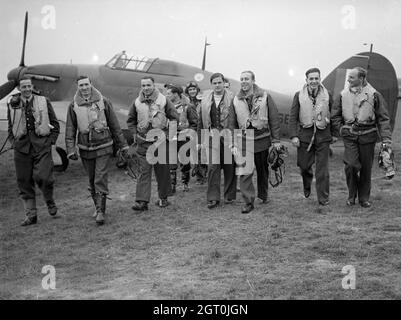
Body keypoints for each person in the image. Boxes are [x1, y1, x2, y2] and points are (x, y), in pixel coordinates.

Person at [65, 76, 129, 225]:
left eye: (86, 84)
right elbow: (70, 128)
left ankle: (101, 211)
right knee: (92, 178)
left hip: (104, 145)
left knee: (100, 177)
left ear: (91, 85)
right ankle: (97, 206)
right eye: (81, 85)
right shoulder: (73, 105)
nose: (84, 87)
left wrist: (123, 145)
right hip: (85, 148)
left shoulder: (103, 101)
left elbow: (115, 125)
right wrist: (70, 149)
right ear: (78, 87)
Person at [331, 67, 392, 208]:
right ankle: (351, 195)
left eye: (352, 77)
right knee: (351, 165)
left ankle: (363, 198)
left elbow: (383, 118)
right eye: (349, 77)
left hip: (368, 136)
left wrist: (386, 139)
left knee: (366, 169)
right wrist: (341, 128)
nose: (348, 79)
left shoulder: (374, 94)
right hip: (349, 136)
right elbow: (335, 115)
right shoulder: (343, 94)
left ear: (362, 78)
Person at [7, 76, 60, 226]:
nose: (27, 89)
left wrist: (51, 141)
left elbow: (55, 124)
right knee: (23, 181)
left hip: (41, 145)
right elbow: (11, 127)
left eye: (29, 86)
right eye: (24, 87)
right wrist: (14, 142)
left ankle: (50, 201)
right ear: (19, 89)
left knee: (44, 177)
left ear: (32, 87)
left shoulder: (44, 101)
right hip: (21, 148)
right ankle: (31, 215)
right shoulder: (12, 105)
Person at [229, 71, 281, 214]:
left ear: (253, 80)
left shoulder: (265, 96)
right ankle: (248, 202)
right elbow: (231, 123)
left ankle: (263, 195)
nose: (244, 81)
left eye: (246, 79)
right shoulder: (235, 99)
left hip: (262, 138)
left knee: (262, 170)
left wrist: (276, 140)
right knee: (245, 172)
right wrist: (233, 143)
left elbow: (274, 119)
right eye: (242, 79)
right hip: (244, 139)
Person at [127, 76, 180, 211]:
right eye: (143, 85)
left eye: (148, 85)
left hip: (161, 141)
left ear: (153, 85)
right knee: (143, 172)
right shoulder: (137, 102)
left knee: (162, 172)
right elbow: (131, 120)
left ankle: (163, 198)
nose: (146, 88)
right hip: (143, 142)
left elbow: (174, 117)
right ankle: (142, 201)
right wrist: (135, 135)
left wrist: (170, 136)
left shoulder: (163, 100)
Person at [289, 67, 334, 206]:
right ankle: (307, 183)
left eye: (316, 78)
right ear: (306, 80)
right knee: (303, 166)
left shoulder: (328, 95)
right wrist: (294, 136)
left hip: (323, 136)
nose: (314, 81)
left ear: (320, 79)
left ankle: (323, 198)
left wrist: (334, 133)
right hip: (305, 135)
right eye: (311, 79)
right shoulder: (298, 95)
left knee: (322, 170)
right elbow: (293, 117)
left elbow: (334, 114)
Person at [198, 73, 237, 209]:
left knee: (229, 166)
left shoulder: (232, 97)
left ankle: (229, 196)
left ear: (223, 83)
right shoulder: (205, 98)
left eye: (219, 82)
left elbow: (236, 119)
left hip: (228, 135)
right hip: (211, 135)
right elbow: (200, 120)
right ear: (211, 84)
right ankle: (213, 198)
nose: (217, 85)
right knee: (213, 167)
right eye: (214, 83)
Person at [166, 85, 198, 193]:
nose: (167, 95)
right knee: (171, 162)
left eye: (169, 93)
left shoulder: (188, 106)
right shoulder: (166, 106)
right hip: (170, 137)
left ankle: (185, 183)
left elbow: (194, 123)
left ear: (176, 94)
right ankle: (171, 185)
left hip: (184, 137)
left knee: (185, 161)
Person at [185, 81, 207, 184]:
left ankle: (202, 175)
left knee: (202, 153)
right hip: (191, 129)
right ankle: (199, 174)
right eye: (190, 89)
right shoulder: (186, 102)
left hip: (202, 129)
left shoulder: (202, 101)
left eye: (194, 89)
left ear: (197, 90)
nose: (192, 91)